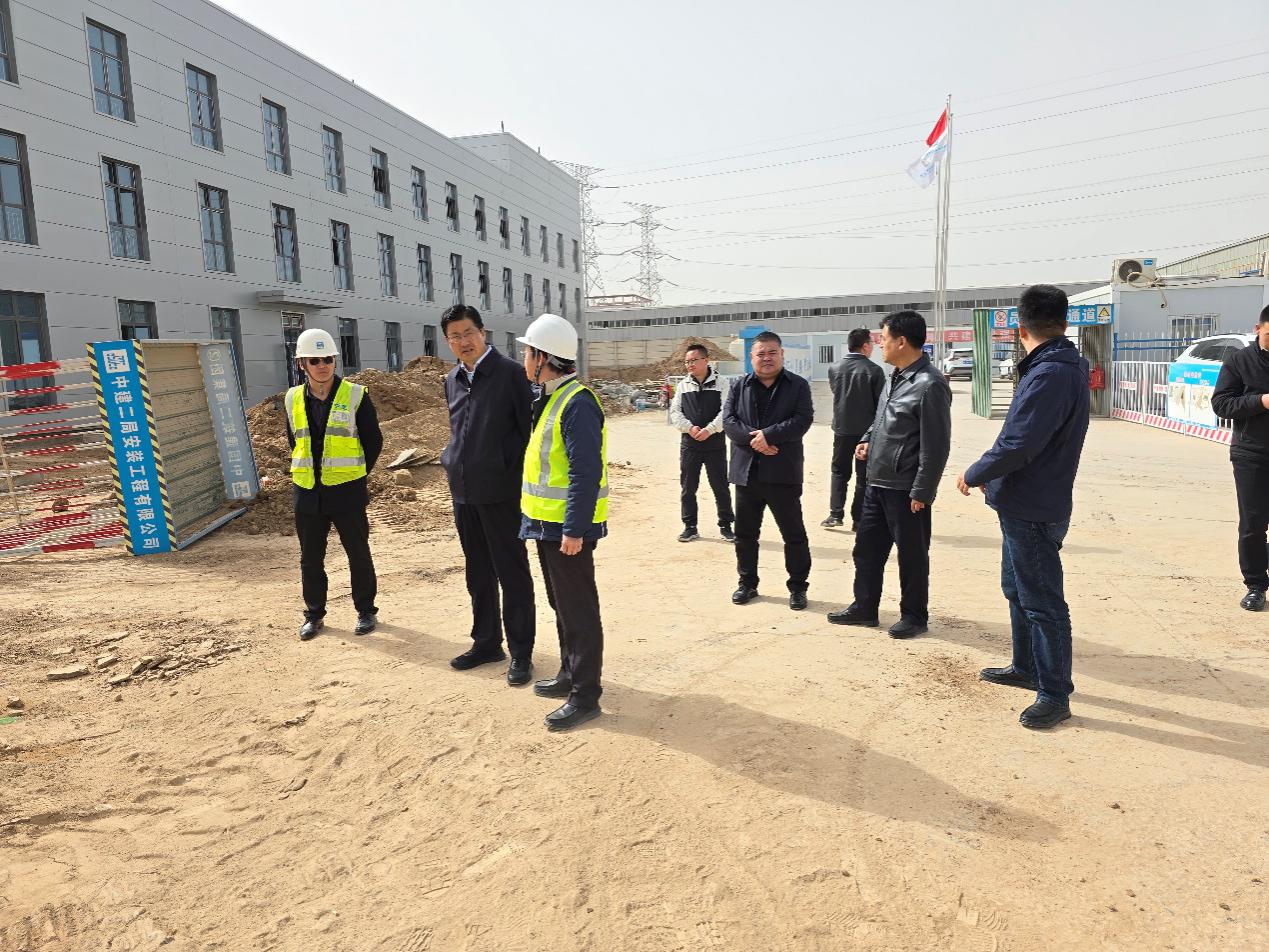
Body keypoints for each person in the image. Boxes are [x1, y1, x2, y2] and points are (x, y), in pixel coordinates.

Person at [955, 285, 1090, 730]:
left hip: (1034, 503)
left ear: (1020, 327)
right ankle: (1026, 665)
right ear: (1064, 322)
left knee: (1043, 603)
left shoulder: (1050, 373)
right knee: (1016, 589)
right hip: (1024, 499)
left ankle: (1054, 693)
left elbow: (1019, 442)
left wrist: (975, 471)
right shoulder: (1058, 366)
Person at [828, 311, 951, 638]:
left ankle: (914, 616)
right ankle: (864, 607)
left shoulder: (930, 384)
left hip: (905, 488)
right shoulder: (894, 377)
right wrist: (868, 438)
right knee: (866, 550)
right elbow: (880, 419)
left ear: (901, 341)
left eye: (883, 338)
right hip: (876, 481)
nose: (879, 344)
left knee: (911, 556)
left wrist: (922, 491)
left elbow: (937, 445)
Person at [517, 313, 609, 731]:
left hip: (565, 530)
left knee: (579, 610)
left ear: (542, 357)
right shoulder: (553, 397)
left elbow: (584, 473)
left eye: (527, 352)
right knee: (562, 605)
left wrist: (574, 529)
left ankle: (585, 696)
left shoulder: (577, 403)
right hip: (546, 525)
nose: (523, 359)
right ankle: (570, 673)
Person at [440, 304, 538, 685]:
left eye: (468, 333)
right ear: (448, 342)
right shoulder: (452, 380)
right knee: (477, 572)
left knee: (512, 573)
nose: (463, 341)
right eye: (455, 336)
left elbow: (528, 433)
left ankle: (521, 652)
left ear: (483, 332)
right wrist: (452, 461)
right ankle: (486, 643)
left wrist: (505, 468)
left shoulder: (512, 374)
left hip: (502, 493)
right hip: (464, 493)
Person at [285, 328, 383, 641]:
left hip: (347, 491)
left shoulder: (355, 395)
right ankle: (314, 615)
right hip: (307, 492)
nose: (322, 365)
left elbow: (373, 441)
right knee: (310, 559)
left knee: (358, 553)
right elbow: (295, 441)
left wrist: (355, 475)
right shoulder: (292, 398)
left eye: (327, 359)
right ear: (302, 363)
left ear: (335, 361)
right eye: (314, 360)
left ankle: (366, 611)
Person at [723, 331, 814, 611]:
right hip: (746, 474)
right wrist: (757, 440)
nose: (766, 358)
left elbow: (802, 420)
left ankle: (797, 587)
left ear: (782, 354)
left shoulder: (797, 385)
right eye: (760, 354)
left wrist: (770, 435)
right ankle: (747, 583)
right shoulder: (739, 386)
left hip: (783, 473)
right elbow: (729, 421)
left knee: (793, 534)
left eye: (772, 352)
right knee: (745, 535)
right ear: (751, 357)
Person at [1212, 305, 1269, 612]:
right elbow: (1221, 404)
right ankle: (1256, 585)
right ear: (1258, 329)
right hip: (1251, 453)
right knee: (1253, 524)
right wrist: (1261, 401)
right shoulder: (1239, 361)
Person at [669, 343, 735, 542]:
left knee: (720, 486)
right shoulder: (683, 385)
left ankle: (726, 525)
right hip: (690, 445)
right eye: (687, 361)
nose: (690, 364)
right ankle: (690, 526)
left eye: (694, 360)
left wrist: (710, 430)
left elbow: (726, 411)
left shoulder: (721, 383)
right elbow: (675, 412)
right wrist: (690, 428)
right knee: (688, 487)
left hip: (714, 445)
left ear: (706, 360)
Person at [822, 328, 885, 530]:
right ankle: (858, 519)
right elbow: (881, 405)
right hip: (866, 433)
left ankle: (835, 514)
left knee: (839, 472)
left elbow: (836, 392)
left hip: (842, 429)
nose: (873, 348)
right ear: (865, 346)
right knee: (863, 477)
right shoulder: (874, 370)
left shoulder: (835, 368)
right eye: (871, 344)